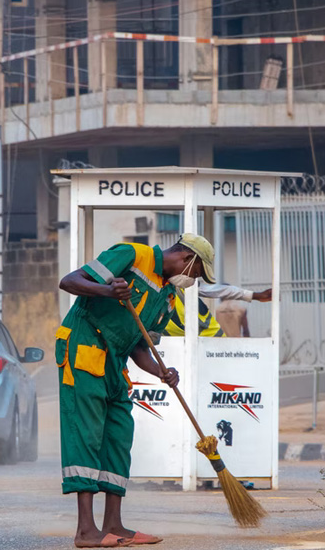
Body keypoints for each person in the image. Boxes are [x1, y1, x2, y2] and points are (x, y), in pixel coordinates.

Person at [56, 233, 215, 548]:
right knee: (87, 433)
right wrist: (108, 290)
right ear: (187, 258)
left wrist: (160, 371)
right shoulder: (132, 255)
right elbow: (70, 281)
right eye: (196, 273)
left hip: (115, 362)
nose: (193, 281)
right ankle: (86, 531)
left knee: (119, 435)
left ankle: (113, 524)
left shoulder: (168, 297)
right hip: (84, 346)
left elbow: (140, 347)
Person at [164, 282, 272, 338]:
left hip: (213, 342)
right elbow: (246, 330)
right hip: (229, 342)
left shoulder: (218, 309)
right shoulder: (240, 308)